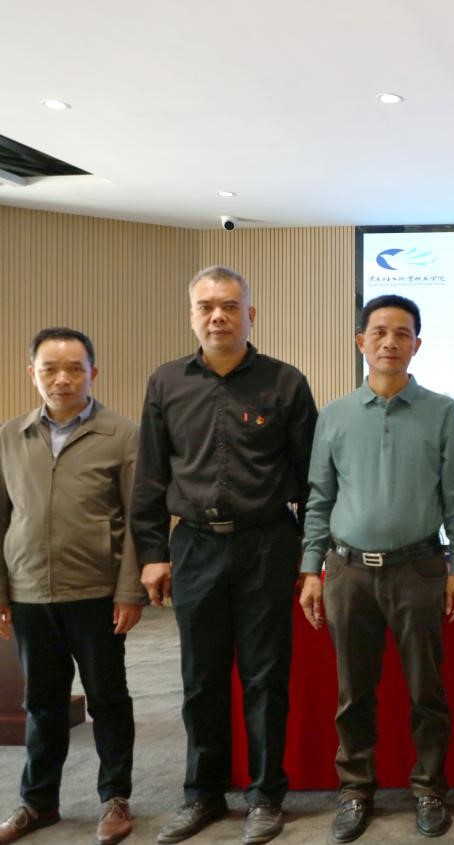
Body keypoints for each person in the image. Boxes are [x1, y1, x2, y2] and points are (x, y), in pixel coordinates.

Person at [131, 266, 317, 845]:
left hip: (267, 543)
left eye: (231, 306)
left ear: (250, 315)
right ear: (192, 315)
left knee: (265, 677)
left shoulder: (286, 383)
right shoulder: (166, 383)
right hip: (194, 545)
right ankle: (202, 794)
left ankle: (265, 796)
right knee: (200, 677)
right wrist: (152, 552)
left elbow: (312, 479)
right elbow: (150, 477)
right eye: (206, 306)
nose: (218, 316)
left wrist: (310, 554)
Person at [297, 294, 454, 842]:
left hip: (418, 567)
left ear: (417, 344)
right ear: (361, 342)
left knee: (427, 689)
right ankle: (355, 790)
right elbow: (319, 497)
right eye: (379, 332)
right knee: (353, 692)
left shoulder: (443, 412)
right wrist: (310, 569)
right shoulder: (335, 415)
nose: (390, 342)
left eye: (402, 333)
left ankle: (429, 787)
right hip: (347, 571)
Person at [0, 328, 144, 845]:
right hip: (30, 593)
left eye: (74, 369)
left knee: (107, 699)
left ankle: (115, 798)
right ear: (32, 374)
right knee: (41, 702)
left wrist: (130, 591)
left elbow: (137, 521)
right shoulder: (9, 437)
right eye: (50, 369)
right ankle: (38, 803)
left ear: (93, 373)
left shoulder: (122, 435)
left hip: (97, 594)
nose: (62, 379)